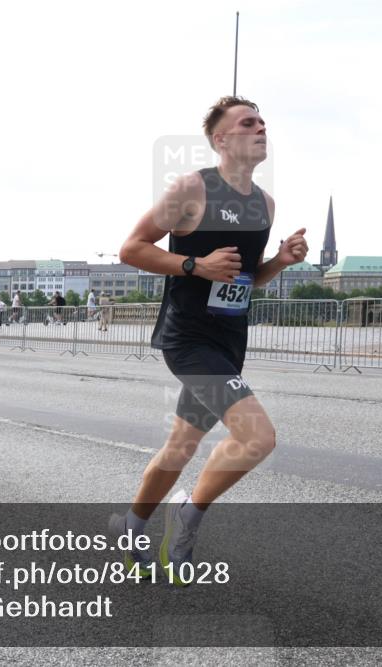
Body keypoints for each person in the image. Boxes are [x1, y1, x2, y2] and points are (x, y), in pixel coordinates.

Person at [114, 96, 308, 584]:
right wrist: (194, 265)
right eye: (248, 122)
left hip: (228, 338)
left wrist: (280, 261)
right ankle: (188, 515)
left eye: (264, 121)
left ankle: (132, 529)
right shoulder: (192, 188)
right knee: (257, 437)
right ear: (221, 139)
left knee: (180, 446)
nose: (261, 127)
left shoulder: (265, 204)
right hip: (189, 337)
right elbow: (131, 248)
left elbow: (245, 279)